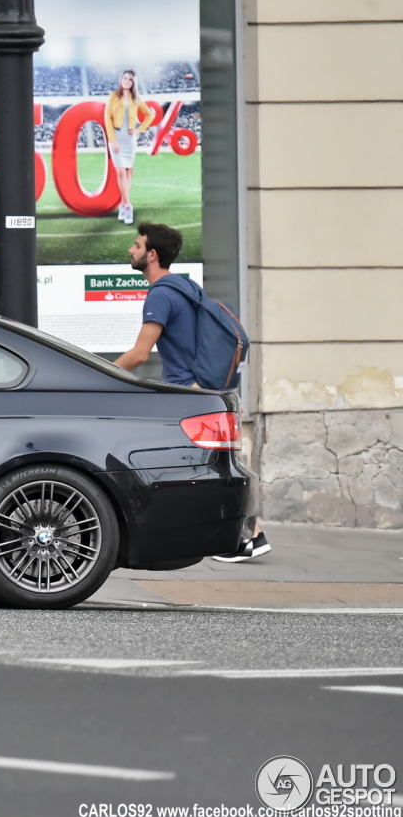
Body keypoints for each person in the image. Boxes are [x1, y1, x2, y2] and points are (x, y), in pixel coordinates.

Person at [115, 222, 269, 562]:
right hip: (202, 390)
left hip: (187, 394)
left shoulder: (161, 294)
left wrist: (105, 375)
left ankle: (247, 537)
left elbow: (141, 353)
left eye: (137, 245)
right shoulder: (186, 287)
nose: (131, 250)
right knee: (211, 467)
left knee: (204, 470)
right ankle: (249, 536)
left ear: (151, 254)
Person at [105, 70, 156, 226]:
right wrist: (112, 140)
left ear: (134, 83)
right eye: (125, 78)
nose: (126, 81)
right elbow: (107, 117)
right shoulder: (113, 96)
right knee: (120, 172)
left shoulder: (136, 99)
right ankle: (128, 206)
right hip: (117, 138)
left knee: (127, 173)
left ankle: (122, 205)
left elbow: (150, 115)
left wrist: (139, 130)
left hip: (129, 139)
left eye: (130, 79)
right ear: (121, 79)